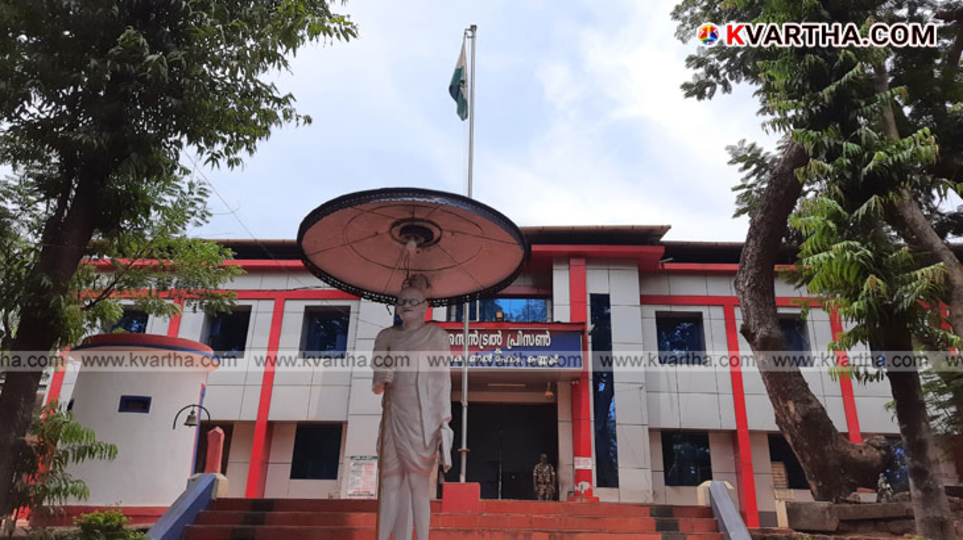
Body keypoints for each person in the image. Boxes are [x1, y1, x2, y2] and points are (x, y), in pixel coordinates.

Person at [372, 280, 452, 540]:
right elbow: (377, 386)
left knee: (419, 485)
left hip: (422, 418)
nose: (406, 305)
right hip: (393, 416)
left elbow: (442, 380)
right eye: (402, 301)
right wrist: (381, 378)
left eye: (412, 301)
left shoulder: (436, 336)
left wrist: (443, 420)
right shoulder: (386, 337)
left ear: (425, 307)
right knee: (389, 482)